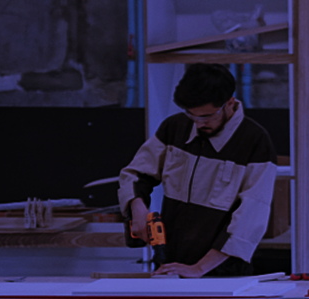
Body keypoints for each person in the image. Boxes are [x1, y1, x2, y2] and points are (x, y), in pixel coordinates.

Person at [119, 64, 278, 277]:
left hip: (222, 272)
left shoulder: (255, 142)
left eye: (206, 116)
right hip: (171, 264)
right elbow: (136, 173)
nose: (199, 123)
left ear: (230, 103)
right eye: (192, 115)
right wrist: (137, 206)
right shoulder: (175, 127)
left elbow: (250, 218)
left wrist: (199, 268)